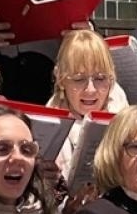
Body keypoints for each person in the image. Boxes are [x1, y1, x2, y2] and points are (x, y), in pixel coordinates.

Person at [45, 28, 128, 196]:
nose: (90, 90)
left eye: (100, 78)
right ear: (60, 79)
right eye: (79, 79)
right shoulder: (48, 129)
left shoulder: (124, 112)